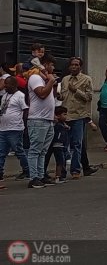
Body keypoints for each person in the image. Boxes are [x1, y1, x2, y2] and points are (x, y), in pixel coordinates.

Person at [59, 57, 93, 180]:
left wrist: (76, 91)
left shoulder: (86, 79)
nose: (74, 67)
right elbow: (63, 96)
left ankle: (75, 170)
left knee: (77, 144)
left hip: (79, 116)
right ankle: (62, 171)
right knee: (63, 145)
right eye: (72, 65)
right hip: (66, 116)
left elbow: (89, 97)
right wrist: (59, 95)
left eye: (76, 65)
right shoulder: (65, 79)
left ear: (80, 67)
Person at [27, 53, 57, 189]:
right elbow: (42, 94)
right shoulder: (35, 78)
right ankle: (34, 178)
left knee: (43, 151)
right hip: (38, 120)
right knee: (35, 150)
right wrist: (50, 81)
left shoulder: (44, 78)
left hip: (48, 119)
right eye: (51, 65)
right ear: (45, 65)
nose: (53, 68)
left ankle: (40, 175)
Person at [0, 77, 30, 182]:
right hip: (3, 128)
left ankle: (27, 170)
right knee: (1, 152)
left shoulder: (20, 96)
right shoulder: (5, 95)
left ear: (14, 85)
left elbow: (25, 110)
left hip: (15, 128)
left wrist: (25, 124)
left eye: (7, 84)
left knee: (19, 151)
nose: (5, 86)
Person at [52, 106, 70, 184]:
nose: (66, 116)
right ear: (58, 115)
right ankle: (58, 176)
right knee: (60, 161)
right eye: (64, 114)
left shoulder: (63, 124)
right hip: (58, 145)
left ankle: (62, 175)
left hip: (63, 145)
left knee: (63, 161)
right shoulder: (57, 125)